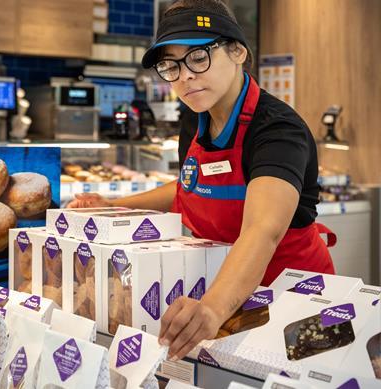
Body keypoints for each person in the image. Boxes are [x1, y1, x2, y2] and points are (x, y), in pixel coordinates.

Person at [68, 0, 336, 361]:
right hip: (227, 291)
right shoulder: (195, 119)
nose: (184, 77)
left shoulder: (277, 130)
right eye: (171, 66)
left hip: (296, 300)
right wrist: (115, 205)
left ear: (238, 51)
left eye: (197, 57)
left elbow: (262, 229)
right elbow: (188, 186)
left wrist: (211, 308)